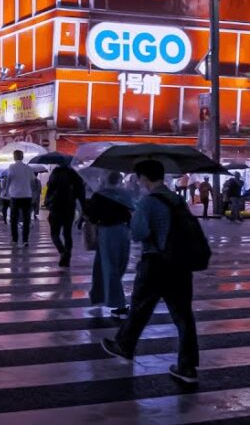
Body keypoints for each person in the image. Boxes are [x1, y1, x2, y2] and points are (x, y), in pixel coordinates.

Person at [102, 159, 200, 385]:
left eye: (139, 177)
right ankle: (187, 366)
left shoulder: (147, 202)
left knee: (139, 308)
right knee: (183, 315)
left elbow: (138, 233)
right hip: (180, 264)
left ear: (144, 178)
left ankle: (124, 346)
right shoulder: (176, 199)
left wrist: (134, 218)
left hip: (155, 262)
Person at [83, 171, 134, 318]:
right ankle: (99, 295)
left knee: (108, 266)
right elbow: (130, 212)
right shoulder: (125, 194)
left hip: (107, 232)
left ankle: (117, 303)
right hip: (123, 231)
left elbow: (92, 216)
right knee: (112, 265)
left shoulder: (100, 195)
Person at [45, 162, 86, 267]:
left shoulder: (55, 173)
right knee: (67, 233)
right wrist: (84, 206)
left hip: (56, 207)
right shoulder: (74, 174)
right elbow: (80, 191)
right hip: (69, 207)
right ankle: (68, 255)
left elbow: (49, 187)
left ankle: (62, 251)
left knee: (54, 233)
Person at [4, 150, 37, 246]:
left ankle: (14, 240)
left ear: (14, 157)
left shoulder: (12, 167)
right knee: (26, 219)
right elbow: (33, 181)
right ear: (22, 157)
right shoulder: (28, 168)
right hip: (27, 196)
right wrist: (33, 194)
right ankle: (25, 240)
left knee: (14, 219)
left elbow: (9, 179)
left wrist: (6, 191)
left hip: (15, 196)